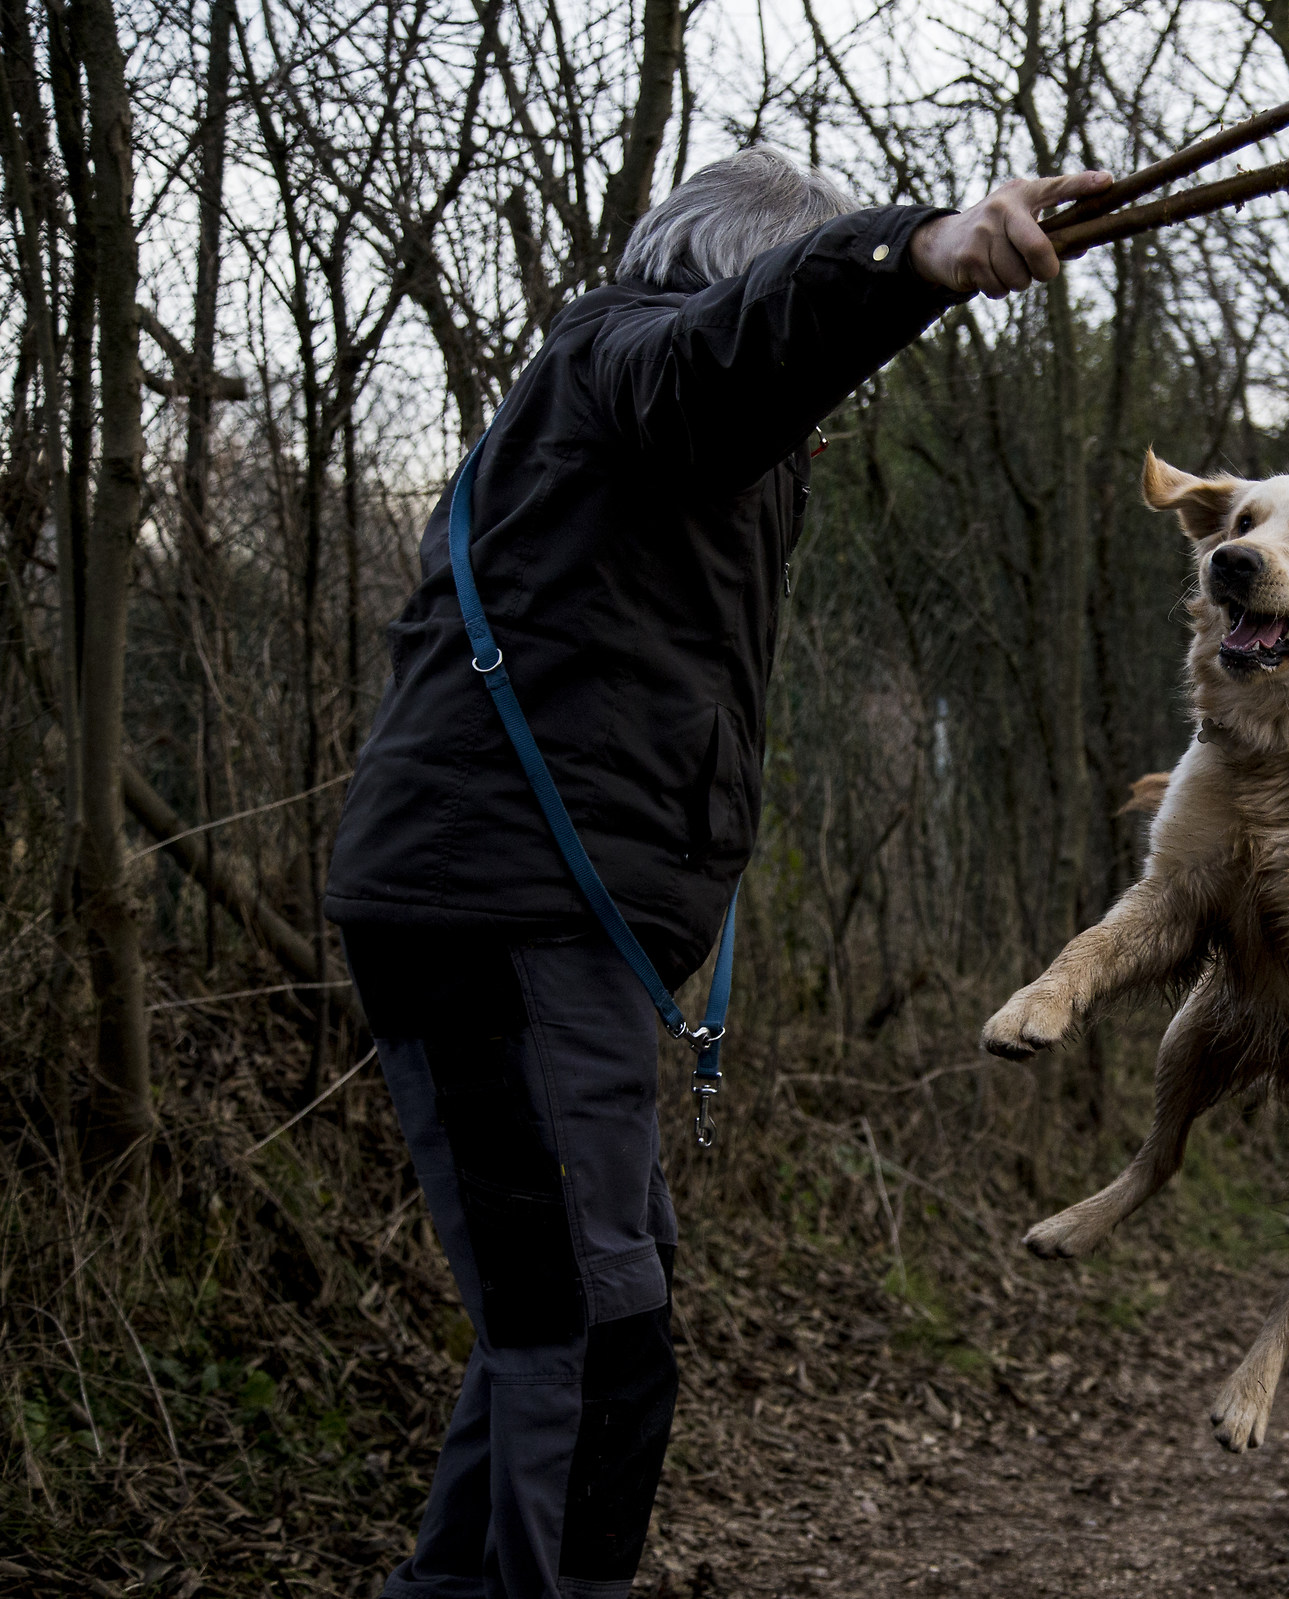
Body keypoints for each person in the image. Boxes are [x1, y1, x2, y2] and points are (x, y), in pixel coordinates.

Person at [323, 150, 1109, 1599]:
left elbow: (750, 375)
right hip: (507, 919)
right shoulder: (628, 358)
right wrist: (917, 259)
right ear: (736, 281)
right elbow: (731, 355)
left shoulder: (684, 435)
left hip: (538, 925)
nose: (819, 417)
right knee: (596, 1340)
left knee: (564, 1313)